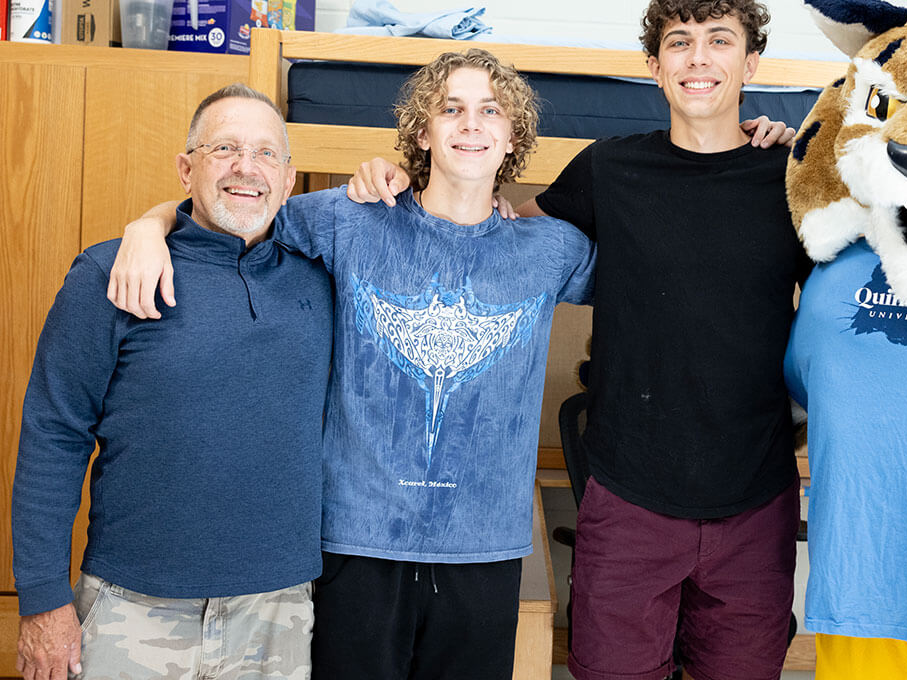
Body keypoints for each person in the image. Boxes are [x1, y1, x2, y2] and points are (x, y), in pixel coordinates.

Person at [348, 0, 809, 680]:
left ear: (750, 63)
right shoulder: (610, 168)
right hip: (629, 497)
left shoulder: (792, 178)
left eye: (720, 41)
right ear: (653, 65)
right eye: (678, 43)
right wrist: (393, 179)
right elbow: (496, 228)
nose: (698, 59)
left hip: (755, 498)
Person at [106, 49, 596, 680]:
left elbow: (653, 273)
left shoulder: (552, 248)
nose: (470, 124)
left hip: (484, 548)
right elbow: (235, 207)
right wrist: (145, 226)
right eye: (451, 109)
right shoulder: (351, 218)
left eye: (490, 111)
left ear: (511, 136)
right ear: (423, 131)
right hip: (356, 543)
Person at [11, 83, 332, 680]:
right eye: (224, 149)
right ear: (186, 169)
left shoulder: (323, 280)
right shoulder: (110, 274)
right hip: (131, 608)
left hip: (277, 611)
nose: (246, 167)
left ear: (289, 181)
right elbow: (53, 436)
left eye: (266, 153)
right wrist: (43, 601)